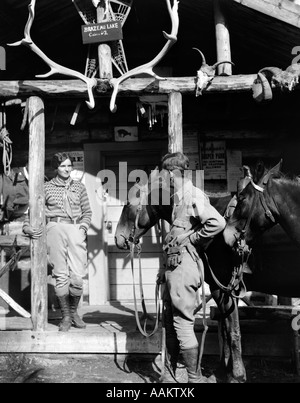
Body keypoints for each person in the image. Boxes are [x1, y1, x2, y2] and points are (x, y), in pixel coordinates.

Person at [159, 152, 226, 383]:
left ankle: (194, 379)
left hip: (184, 266)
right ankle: (168, 373)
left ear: (170, 173)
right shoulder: (178, 197)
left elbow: (217, 222)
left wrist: (195, 240)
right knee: (169, 319)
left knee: (182, 322)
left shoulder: (193, 195)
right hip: (173, 266)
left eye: (162, 174)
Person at [23, 152, 92, 332]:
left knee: (78, 275)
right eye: (63, 166)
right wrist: (27, 227)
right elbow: (32, 210)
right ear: (56, 168)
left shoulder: (79, 187)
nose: (67, 169)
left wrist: (82, 228)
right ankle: (66, 316)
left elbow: (88, 212)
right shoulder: (46, 187)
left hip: (75, 229)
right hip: (55, 228)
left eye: (69, 166)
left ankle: (74, 312)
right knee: (61, 274)